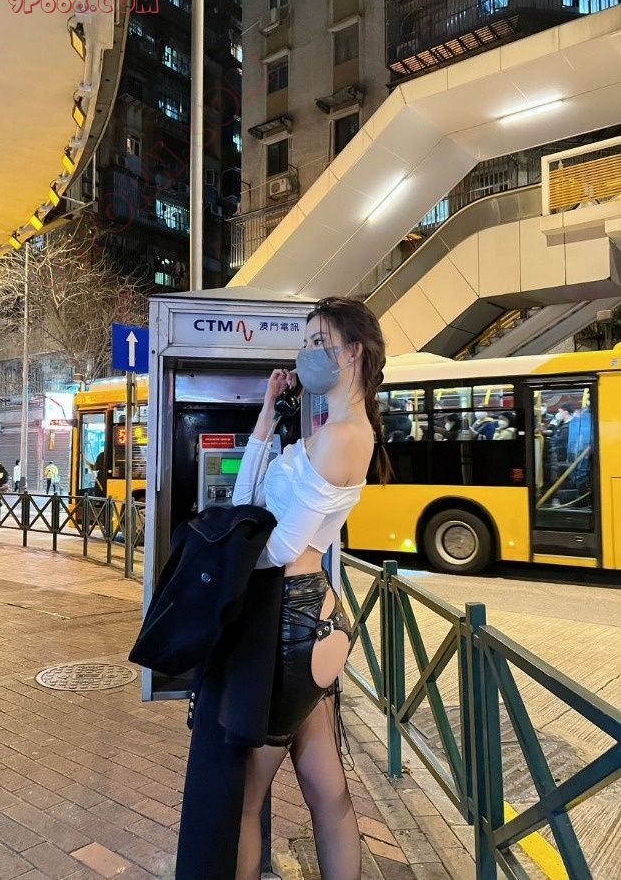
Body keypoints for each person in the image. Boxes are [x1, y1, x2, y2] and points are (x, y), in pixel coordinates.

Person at [177, 297, 391, 880]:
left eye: (320, 341)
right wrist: (269, 412)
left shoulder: (345, 436)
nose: (308, 352)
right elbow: (247, 498)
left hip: (293, 622)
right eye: (306, 340)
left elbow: (283, 547)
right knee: (325, 787)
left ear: (354, 352)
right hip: (299, 622)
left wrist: (222, 556)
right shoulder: (323, 431)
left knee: (246, 795)